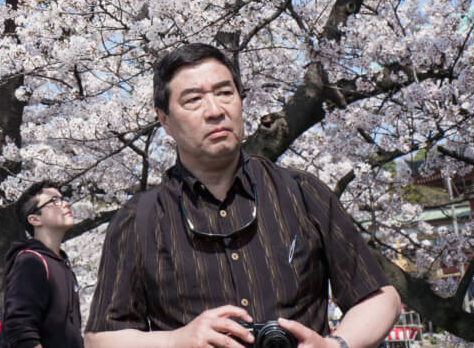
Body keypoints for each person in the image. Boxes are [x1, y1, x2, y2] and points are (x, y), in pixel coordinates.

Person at [85, 43, 401, 348]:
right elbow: (101, 339)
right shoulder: (139, 219)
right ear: (164, 119)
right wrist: (177, 340)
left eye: (225, 93)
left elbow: (378, 297)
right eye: (193, 100)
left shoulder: (302, 193)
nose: (215, 110)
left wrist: (336, 345)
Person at [0, 181, 83, 348]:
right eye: (54, 201)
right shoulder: (31, 262)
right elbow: (20, 327)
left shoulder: (62, 264)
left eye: (63, 199)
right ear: (35, 219)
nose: (65, 204)